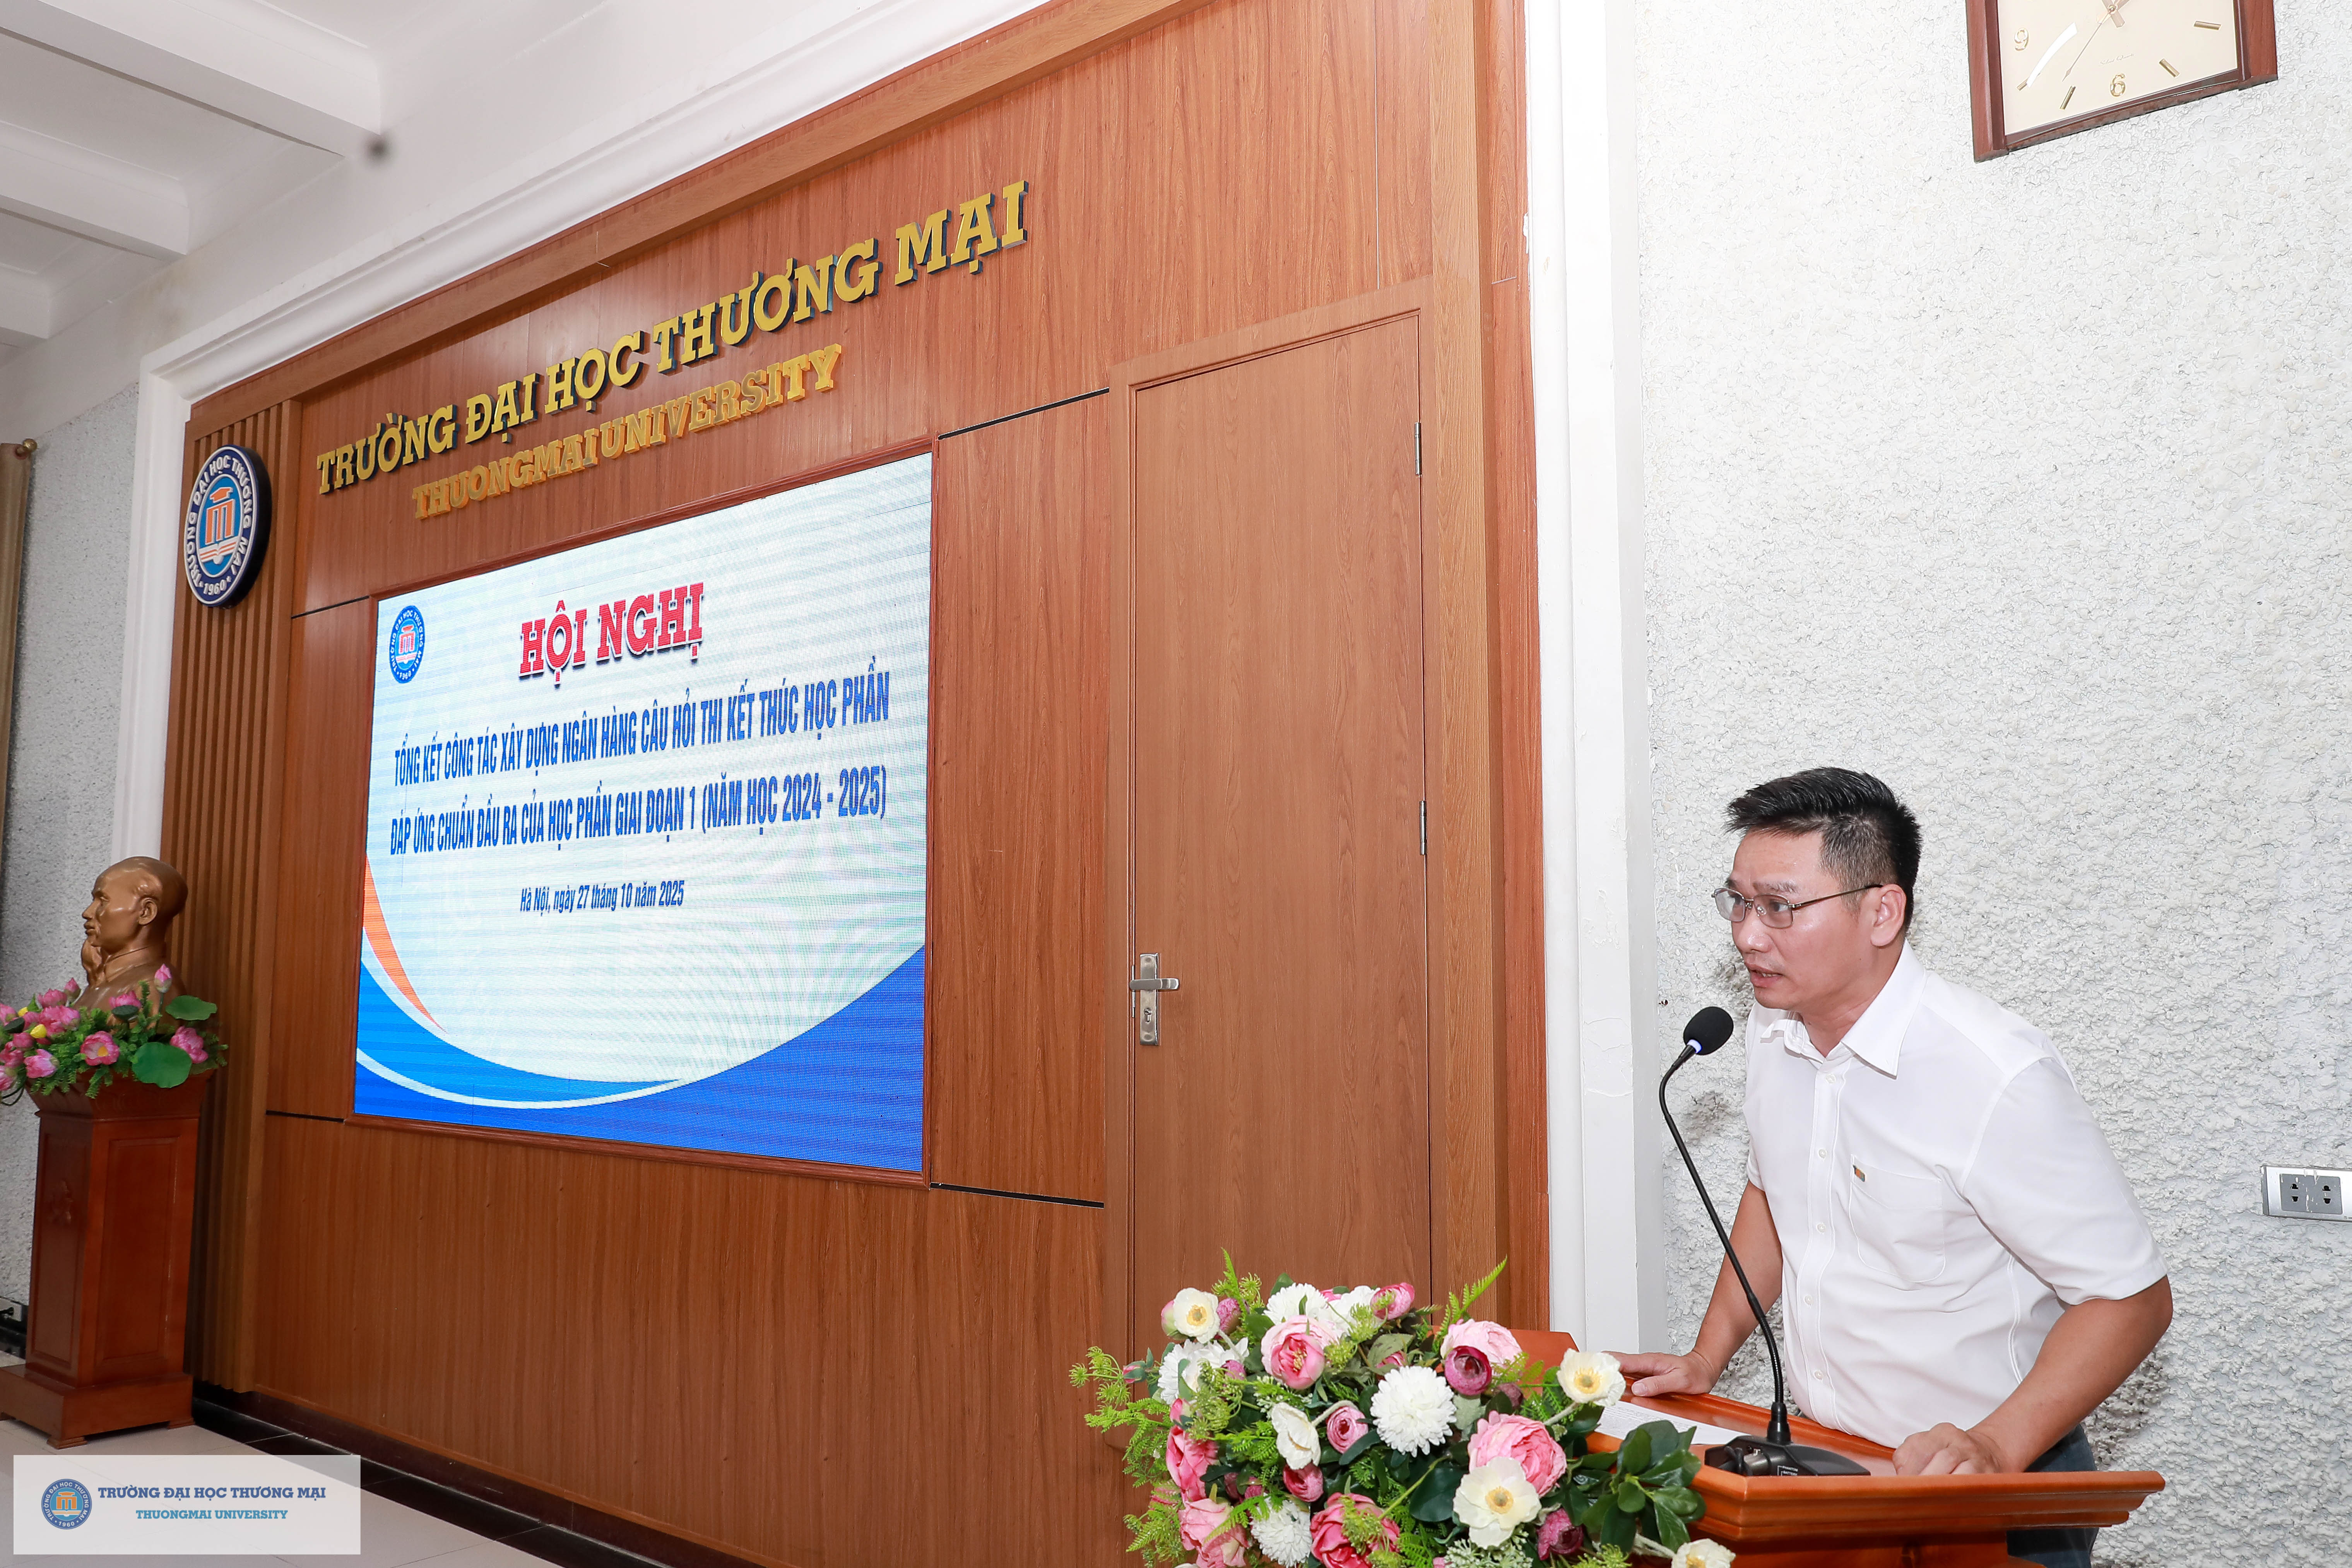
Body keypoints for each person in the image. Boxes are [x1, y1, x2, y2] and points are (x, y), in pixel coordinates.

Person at [1616, 768, 2170, 1568]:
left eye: (1779, 905)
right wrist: (1707, 1355)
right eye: (1737, 900)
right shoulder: (1775, 1034)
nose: (1747, 935)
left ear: (1882, 910)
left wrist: (1994, 1444)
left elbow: (2132, 1299)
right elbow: (1774, 1195)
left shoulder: (1992, 1072)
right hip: (1826, 1463)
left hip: (1984, 1488)